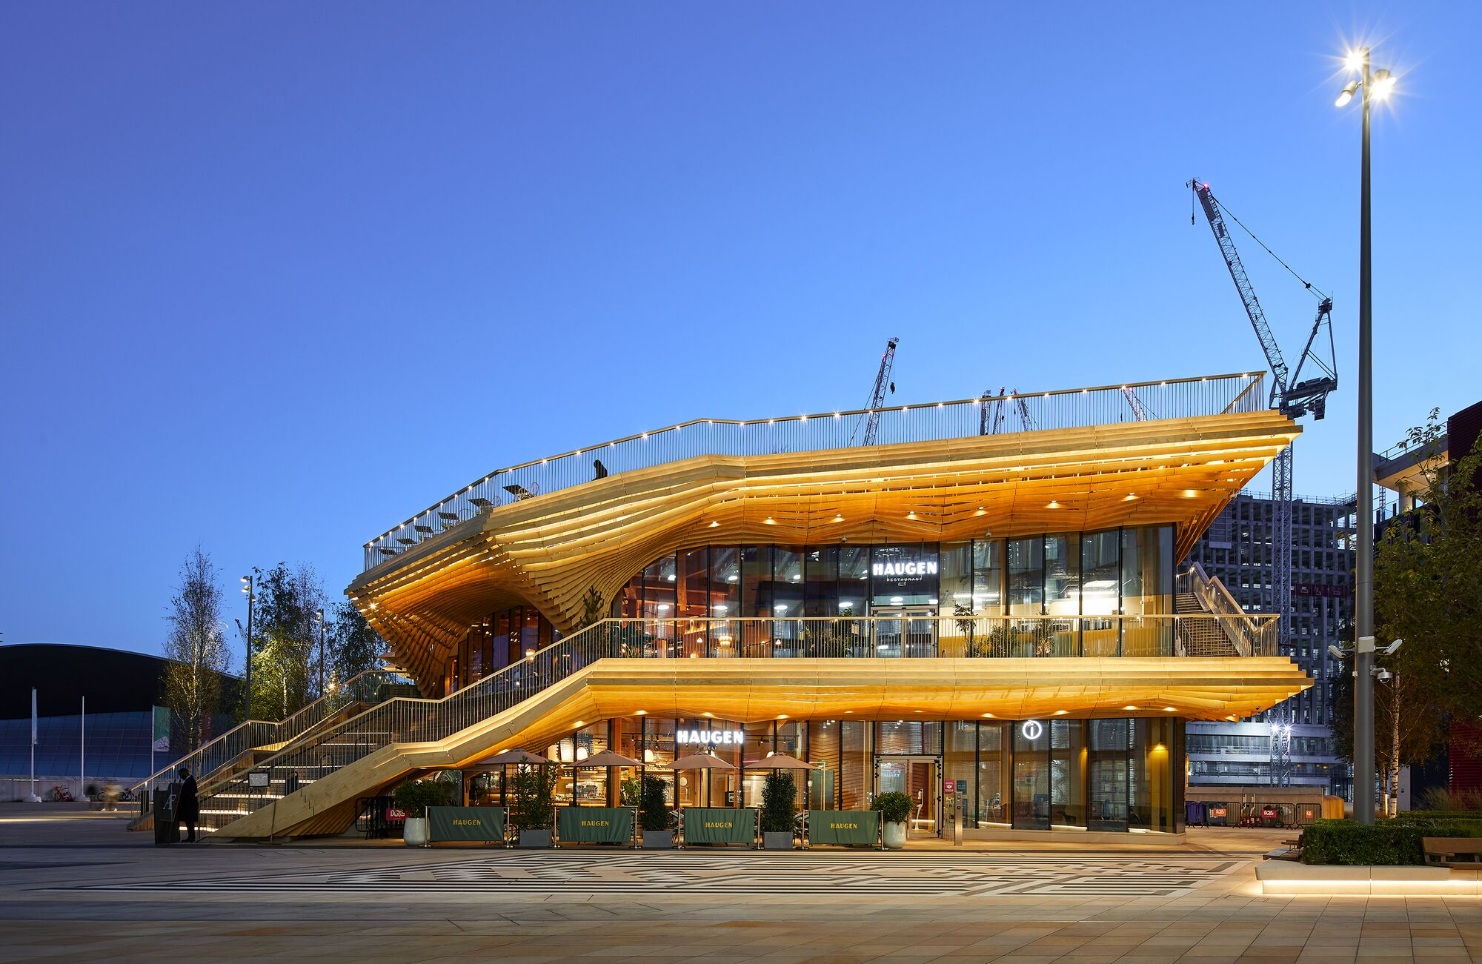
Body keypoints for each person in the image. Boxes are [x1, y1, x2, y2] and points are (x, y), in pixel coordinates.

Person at [176, 767, 199, 843]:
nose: (180, 776)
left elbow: (189, 794)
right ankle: (190, 837)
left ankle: (191, 837)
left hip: (189, 806)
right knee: (189, 823)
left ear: (185, 773)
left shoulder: (190, 781)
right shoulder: (189, 780)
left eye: (181, 774)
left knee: (190, 822)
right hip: (188, 806)